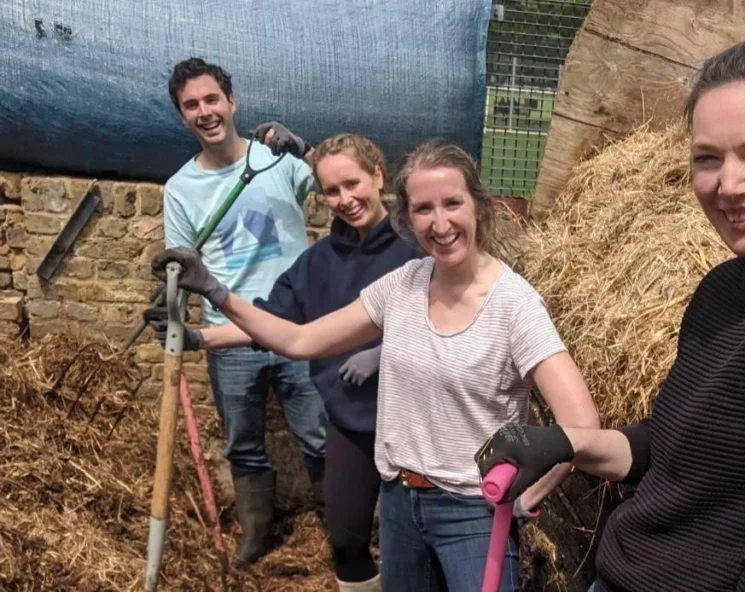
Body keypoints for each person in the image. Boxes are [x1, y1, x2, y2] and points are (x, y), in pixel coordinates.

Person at [474, 37, 745, 592]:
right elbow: (673, 448)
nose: (729, 186)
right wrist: (566, 444)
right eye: (708, 158)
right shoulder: (726, 286)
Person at [149, 139, 602, 591]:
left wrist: (529, 497)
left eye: (452, 203)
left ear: (479, 207)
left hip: (474, 512)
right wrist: (214, 291)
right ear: (408, 216)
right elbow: (301, 338)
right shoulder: (403, 284)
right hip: (401, 501)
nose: (440, 223)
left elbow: (581, 424)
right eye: (423, 209)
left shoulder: (514, 305)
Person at [147, 130, 420, 590]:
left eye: (352, 184)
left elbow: (452, 313)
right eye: (331, 190)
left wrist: (386, 349)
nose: (344, 199)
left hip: (415, 424)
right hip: (353, 423)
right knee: (345, 542)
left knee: (408, 547)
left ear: (378, 177)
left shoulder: (414, 245)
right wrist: (197, 337)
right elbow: (269, 323)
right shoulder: (317, 264)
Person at [157, 57, 327, 564]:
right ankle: (258, 533)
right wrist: (172, 319)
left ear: (232, 102)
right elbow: (182, 267)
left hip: (297, 330)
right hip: (228, 337)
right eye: (192, 105)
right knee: (244, 443)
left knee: (318, 436)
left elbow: (340, 181)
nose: (205, 111)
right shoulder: (180, 190)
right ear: (182, 116)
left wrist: (304, 149)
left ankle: (339, 524)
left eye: (212, 99)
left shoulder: (276, 160)